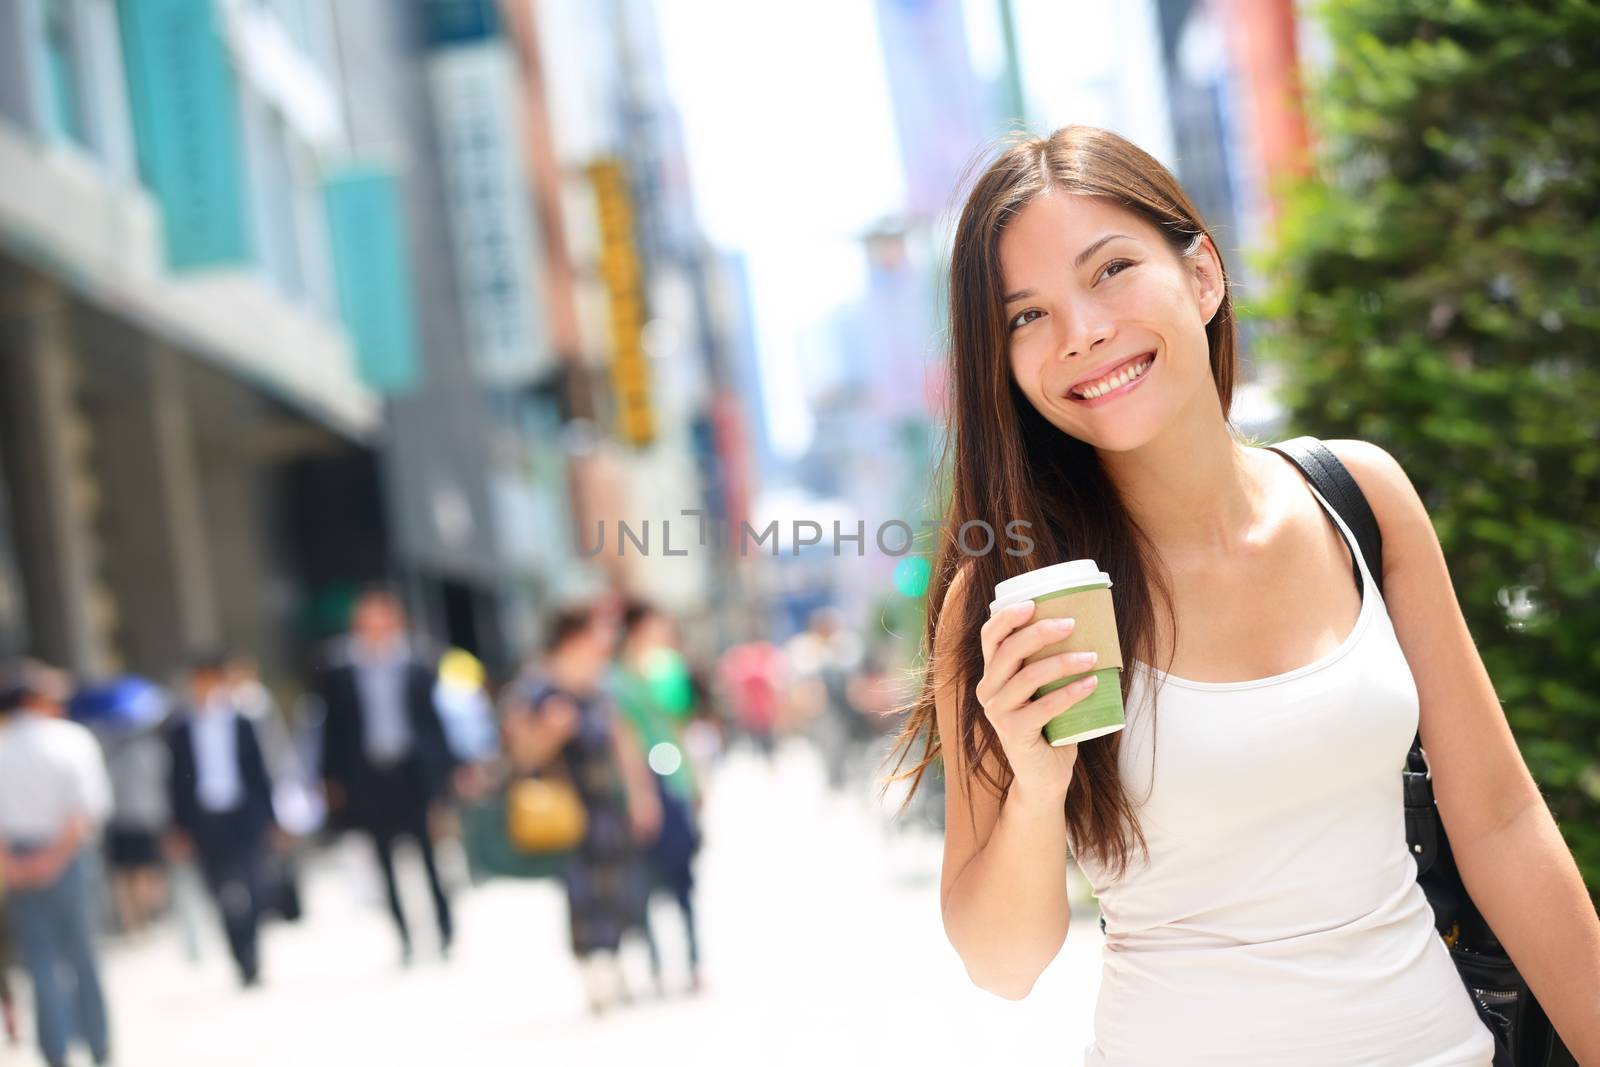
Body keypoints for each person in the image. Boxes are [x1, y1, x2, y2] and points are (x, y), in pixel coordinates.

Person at [886, 125, 1600, 1065]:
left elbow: (1502, 822)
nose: (1083, 332)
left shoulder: (1358, 498)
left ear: (1204, 275)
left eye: (1110, 271)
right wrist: (1036, 784)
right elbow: (1004, 964)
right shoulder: (1008, 597)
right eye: (1027, 317)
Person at [502, 606, 661, 1015]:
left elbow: (625, 748)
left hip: (607, 804)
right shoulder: (535, 690)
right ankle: (593, 972)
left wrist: (642, 797)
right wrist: (551, 732)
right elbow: (520, 756)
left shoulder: (602, 688)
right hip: (566, 807)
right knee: (581, 892)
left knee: (620, 886)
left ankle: (618, 963)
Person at [317, 587, 457, 964]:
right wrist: (330, 781)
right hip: (369, 776)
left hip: (413, 772)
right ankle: (404, 936)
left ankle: (444, 929)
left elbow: (435, 724)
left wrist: (447, 776)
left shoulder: (418, 665)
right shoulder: (341, 671)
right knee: (383, 860)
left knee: (429, 855)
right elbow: (332, 730)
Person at [0, 658, 113, 1067]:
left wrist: (11, 865)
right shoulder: (71, 739)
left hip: (17, 858)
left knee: (39, 960)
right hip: (69, 856)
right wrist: (54, 858)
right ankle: (98, 1046)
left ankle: (55, 1051)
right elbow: (84, 814)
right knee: (83, 955)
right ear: (34, 699)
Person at [164, 651, 276, 987]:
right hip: (204, 819)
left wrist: (272, 818)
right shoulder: (181, 727)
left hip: (243, 815)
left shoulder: (242, 720)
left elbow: (261, 772)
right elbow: (174, 782)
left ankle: (253, 951)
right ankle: (238, 955)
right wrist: (177, 827)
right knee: (220, 890)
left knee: (252, 884)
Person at [610, 600, 704, 994]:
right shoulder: (616, 680)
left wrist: (695, 780)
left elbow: (681, 727)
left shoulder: (668, 669)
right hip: (643, 782)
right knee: (645, 877)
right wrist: (638, 795)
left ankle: (692, 961)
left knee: (682, 874)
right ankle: (656, 966)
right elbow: (623, 739)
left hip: (673, 775)